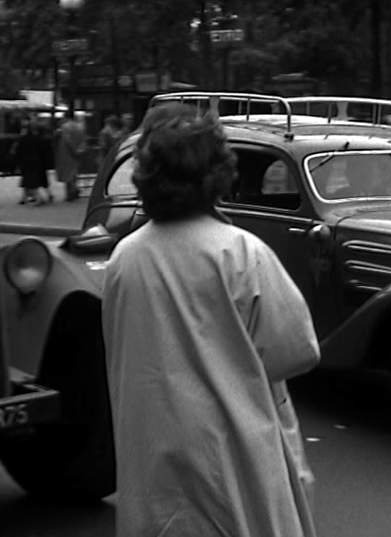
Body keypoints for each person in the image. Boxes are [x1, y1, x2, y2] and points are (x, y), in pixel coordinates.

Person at [102, 103, 321, 537]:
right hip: (230, 458)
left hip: (153, 459)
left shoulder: (124, 258)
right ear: (216, 173)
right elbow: (296, 352)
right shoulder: (240, 252)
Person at [15, 118, 51, 205]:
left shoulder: (23, 138)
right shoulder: (40, 139)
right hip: (37, 162)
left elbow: (19, 150)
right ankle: (28, 197)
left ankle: (35, 197)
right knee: (33, 180)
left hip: (26, 161)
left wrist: (18, 162)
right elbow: (44, 151)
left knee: (29, 180)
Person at [55, 110, 86, 201]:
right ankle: (75, 189)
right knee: (74, 172)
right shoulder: (80, 127)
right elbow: (83, 140)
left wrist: (73, 150)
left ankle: (70, 193)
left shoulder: (64, 127)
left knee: (67, 173)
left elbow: (67, 140)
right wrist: (79, 150)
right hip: (78, 152)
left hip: (67, 153)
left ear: (65, 117)